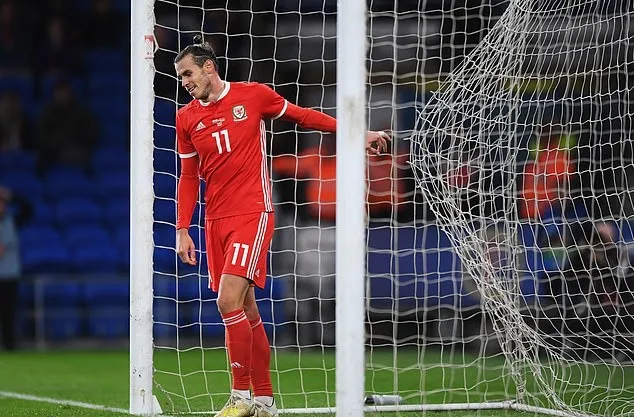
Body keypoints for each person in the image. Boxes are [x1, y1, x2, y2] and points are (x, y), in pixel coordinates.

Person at [174, 35, 389, 417]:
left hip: (253, 213)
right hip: (214, 221)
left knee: (227, 302)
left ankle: (240, 398)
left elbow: (305, 116)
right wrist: (181, 228)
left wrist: (359, 134)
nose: (185, 82)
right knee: (247, 311)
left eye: (188, 73)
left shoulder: (253, 96)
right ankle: (266, 400)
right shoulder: (186, 117)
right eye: (181, 77)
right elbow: (189, 176)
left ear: (209, 67)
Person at [0, 186, 21, 351]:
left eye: (2, 203)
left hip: (9, 274)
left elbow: (29, 208)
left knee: (8, 312)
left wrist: (11, 195)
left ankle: (9, 344)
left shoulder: (12, 221)